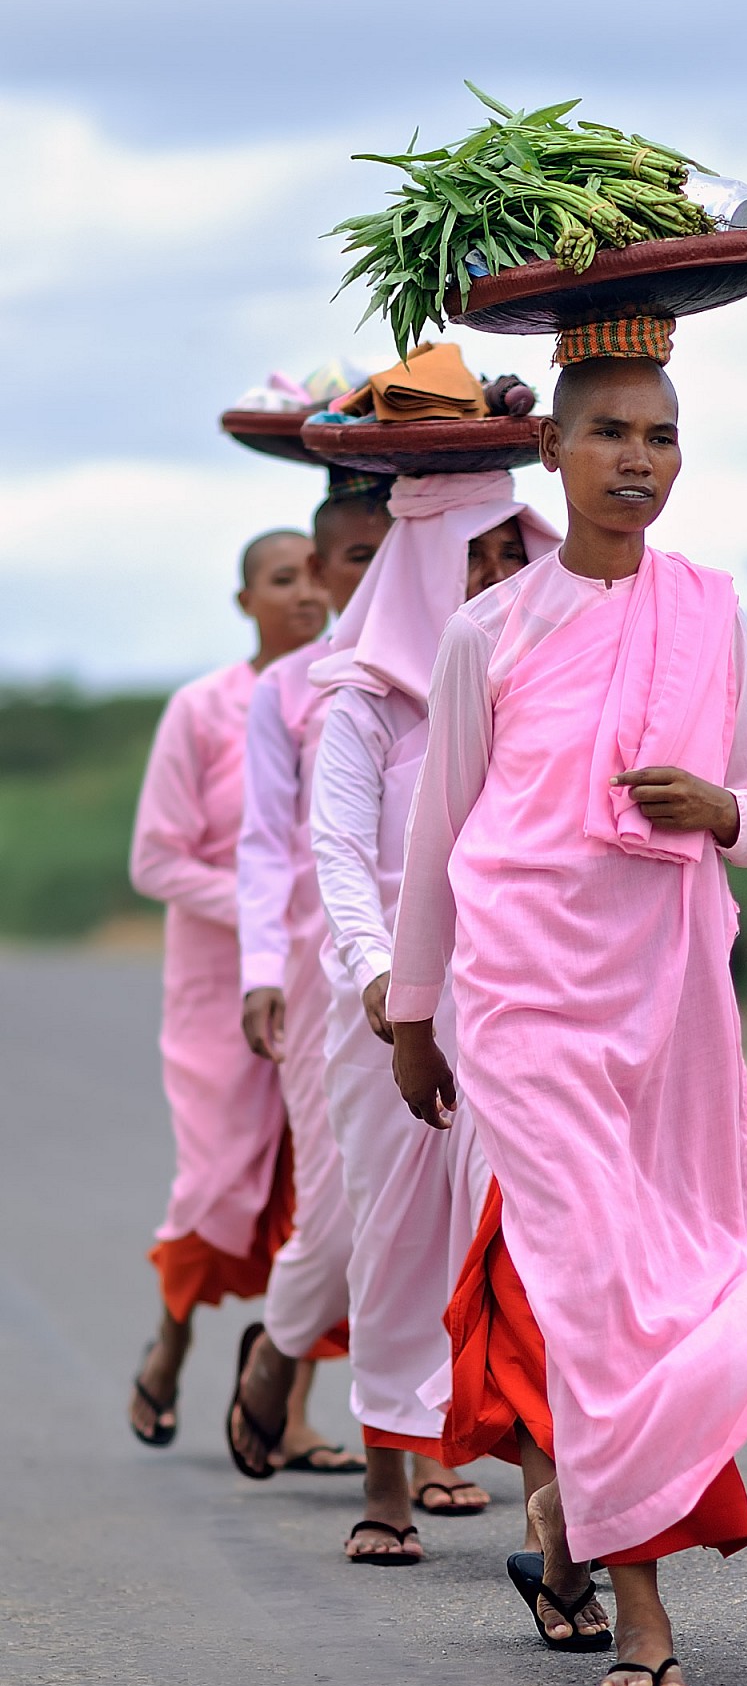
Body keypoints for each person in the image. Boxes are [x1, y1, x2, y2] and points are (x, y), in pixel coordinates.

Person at [388, 320, 747, 1686]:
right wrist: (417, 1019)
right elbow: (436, 838)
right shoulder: (490, 629)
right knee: (592, 1293)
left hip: (668, 1008)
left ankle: (564, 1521)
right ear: (552, 450)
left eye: (659, 436)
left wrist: (720, 814)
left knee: (674, 1283)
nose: (636, 459)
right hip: (521, 1003)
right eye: (609, 432)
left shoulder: (709, 611)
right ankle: (643, 1613)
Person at [307, 471, 560, 1561]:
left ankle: (549, 1505)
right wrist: (379, 978)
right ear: (422, 568)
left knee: (513, 1244)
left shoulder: (543, 674)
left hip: (513, 998)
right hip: (383, 1010)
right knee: (392, 1233)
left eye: (515, 554)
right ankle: (385, 1481)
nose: (502, 578)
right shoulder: (361, 699)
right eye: (478, 556)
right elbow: (340, 855)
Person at [128, 530, 327, 1448]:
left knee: (313, 1182)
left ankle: (286, 1413)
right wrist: (267, 910)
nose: (304, 594)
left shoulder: (341, 694)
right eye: (280, 580)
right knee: (218, 1180)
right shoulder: (203, 709)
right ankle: (170, 1339)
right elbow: (155, 860)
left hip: (320, 971)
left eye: (315, 575)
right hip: (220, 984)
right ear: (244, 600)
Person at [227, 473, 394, 1479]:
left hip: (445, 961)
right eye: (359, 557)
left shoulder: (461, 660)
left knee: (448, 1207)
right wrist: (259, 970)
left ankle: (420, 1448)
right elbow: (260, 846)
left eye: (398, 552)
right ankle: (283, 1341)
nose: (380, 574)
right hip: (316, 960)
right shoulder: (285, 691)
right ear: (326, 571)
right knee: (337, 1205)